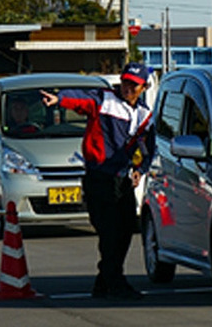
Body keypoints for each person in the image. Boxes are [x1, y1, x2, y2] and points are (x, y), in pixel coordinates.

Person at [40, 62, 154, 301]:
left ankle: (105, 282)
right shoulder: (104, 100)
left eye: (133, 85)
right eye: (125, 83)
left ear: (144, 87)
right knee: (110, 233)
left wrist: (139, 168)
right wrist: (59, 100)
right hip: (99, 178)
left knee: (124, 231)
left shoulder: (144, 115)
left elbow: (147, 146)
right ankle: (114, 282)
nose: (127, 88)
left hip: (121, 180)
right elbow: (81, 99)